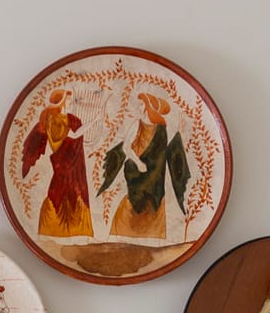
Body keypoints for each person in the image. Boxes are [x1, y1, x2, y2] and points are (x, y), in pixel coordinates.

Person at [100, 92, 190, 245]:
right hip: (137, 172)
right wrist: (138, 162)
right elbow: (126, 147)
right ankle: (120, 237)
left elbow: (168, 149)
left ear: (149, 107)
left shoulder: (162, 128)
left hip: (155, 174)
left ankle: (153, 241)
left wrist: (182, 129)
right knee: (134, 202)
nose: (139, 107)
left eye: (142, 104)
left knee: (154, 203)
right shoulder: (137, 123)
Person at [21, 88, 92, 239]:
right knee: (58, 192)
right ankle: (50, 230)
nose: (72, 102)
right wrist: (94, 121)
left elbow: (77, 139)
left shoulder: (71, 119)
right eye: (69, 100)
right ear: (62, 102)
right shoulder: (53, 120)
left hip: (75, 165)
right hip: (63, 163)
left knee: (76, 192)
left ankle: (80, 232)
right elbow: (74, 135)